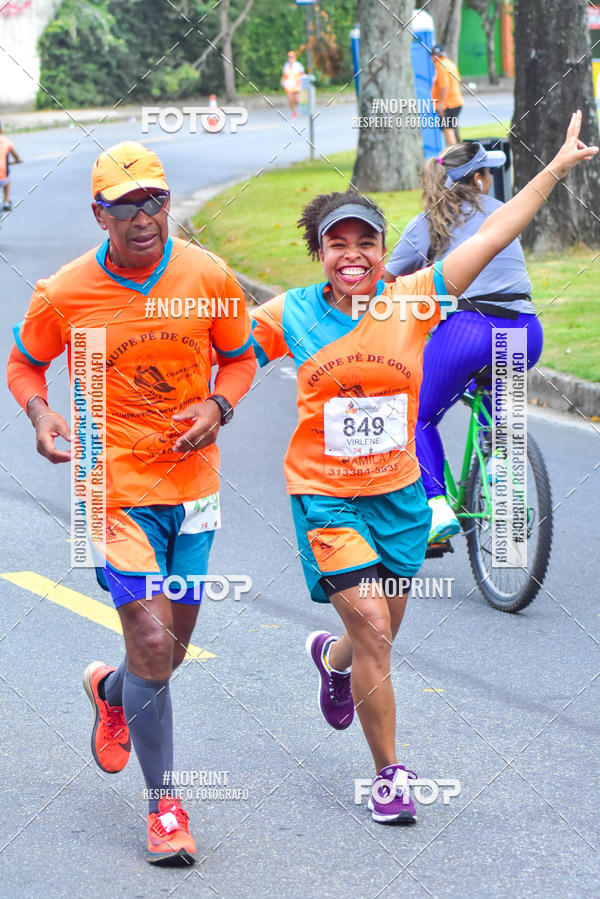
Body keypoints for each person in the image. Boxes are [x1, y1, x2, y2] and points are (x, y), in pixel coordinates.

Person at [250, 113, 596, 824]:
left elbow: (496, 232)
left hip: (400, 500)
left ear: (383, 250)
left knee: (376, 631)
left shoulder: (416, 298)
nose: (352, 255)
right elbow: (221, 356)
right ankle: (390, 774)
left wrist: (556, 169)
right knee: (375, 623)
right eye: (336, 244)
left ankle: (334, 661)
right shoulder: (289, 313)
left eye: (364, 242)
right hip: (327, 498)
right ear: (318, 252)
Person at [6, 141, 256, 864]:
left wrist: (219, 403)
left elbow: (240, 356)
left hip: (193, 489)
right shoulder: (66, 290)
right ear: (99, 213)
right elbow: (25, 360)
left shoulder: (208, 275)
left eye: (154, 201)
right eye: (126, 206)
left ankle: (111, 689)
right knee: (150, 639)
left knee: (166, 651)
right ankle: (165, 808)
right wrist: (40, 413)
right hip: (112, 485)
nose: (144, 218)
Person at [384, 140, 543, 543]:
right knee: (496, 382)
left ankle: (436, 506)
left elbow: (384, 283)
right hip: (526, 329)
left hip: (467, 332)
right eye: (488, 173)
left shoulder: (427, 222)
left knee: (415, 415)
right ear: (478, 179)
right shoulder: (504, 212)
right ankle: (501, 466)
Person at [431, 45, 463, 145]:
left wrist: (441, 104)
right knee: (450, 129)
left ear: (435, 56)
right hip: (455, 102)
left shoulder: (440, 65)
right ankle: (455, 152)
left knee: (448, 130)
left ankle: (452, 155)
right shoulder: (449, 63)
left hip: (448, 104)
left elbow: (445, 86)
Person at [0, 122, 23, 211]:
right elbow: (16, 156)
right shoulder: (6, 141)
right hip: (2, 178)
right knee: (7, 180)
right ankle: (6, 201)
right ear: (1, 130)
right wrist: (17, 160)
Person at [281, 50, 305, 118]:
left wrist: (299, 81)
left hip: (297, 86)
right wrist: (283, 82)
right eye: (289, 57)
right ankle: (294, 113)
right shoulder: (286, 65)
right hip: (289, 86)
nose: (290, 59)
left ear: (294, 58)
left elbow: (302, 75)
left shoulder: (298, 65)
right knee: (290, 100)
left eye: (291, 57)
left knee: (296, 100)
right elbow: (284, 75)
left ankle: (301, 108)